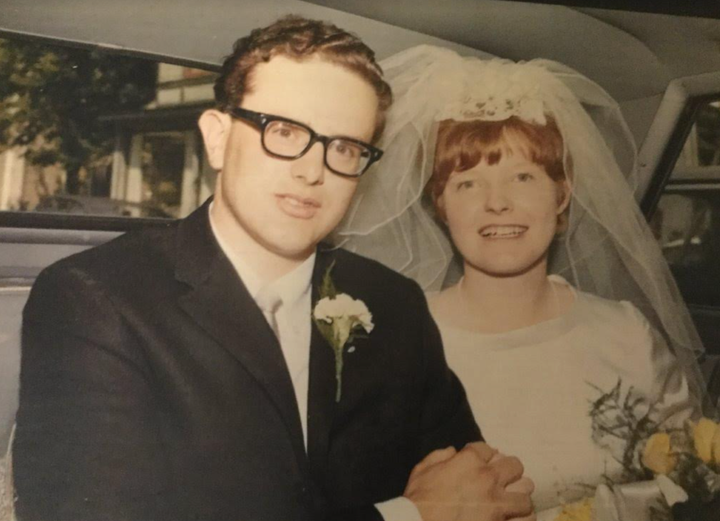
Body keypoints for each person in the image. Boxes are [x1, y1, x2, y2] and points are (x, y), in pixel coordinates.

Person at [11, 18, 535, 521]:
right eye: (283, 131)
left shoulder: (393, 302)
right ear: (217, 138)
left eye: (344, 147)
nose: (312, 171)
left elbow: (481, 492)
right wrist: (407, 516)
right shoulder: (96, 301)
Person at [336, 45, 711, 519]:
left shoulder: (627, 333)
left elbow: (692, 485)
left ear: (562, 195)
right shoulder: (393, 345)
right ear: (440, 206)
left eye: (523, 177)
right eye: (467, 183)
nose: (498, 203)